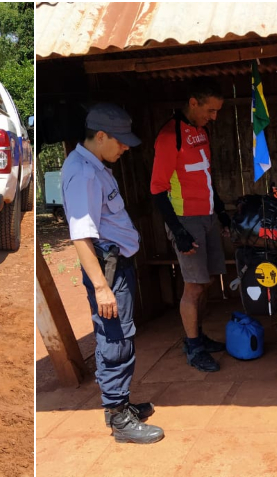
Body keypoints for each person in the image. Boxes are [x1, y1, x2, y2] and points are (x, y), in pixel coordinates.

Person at [61, 103, 163, 444]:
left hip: (116, 265)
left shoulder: (95, 165)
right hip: (108, 270)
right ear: (100, 136)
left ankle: (121, 404)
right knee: (114, 339)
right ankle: (119, 420)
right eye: (120, 142)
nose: (125, 148)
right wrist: (102, 288)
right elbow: (80, 237)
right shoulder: (84, 174)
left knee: (119, 336)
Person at [149, 81, 230, 373]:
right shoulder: (171, 136)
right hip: (187, 220)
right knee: (193, 287)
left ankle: (198, 335)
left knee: (205, 282)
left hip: (206, 216)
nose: (214, 117)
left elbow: (205, 177)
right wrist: (179, 231)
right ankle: (193, 347)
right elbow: (157, 190)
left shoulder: (200, 131)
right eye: (210, 110)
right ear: (193, 103)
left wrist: (221, 213)